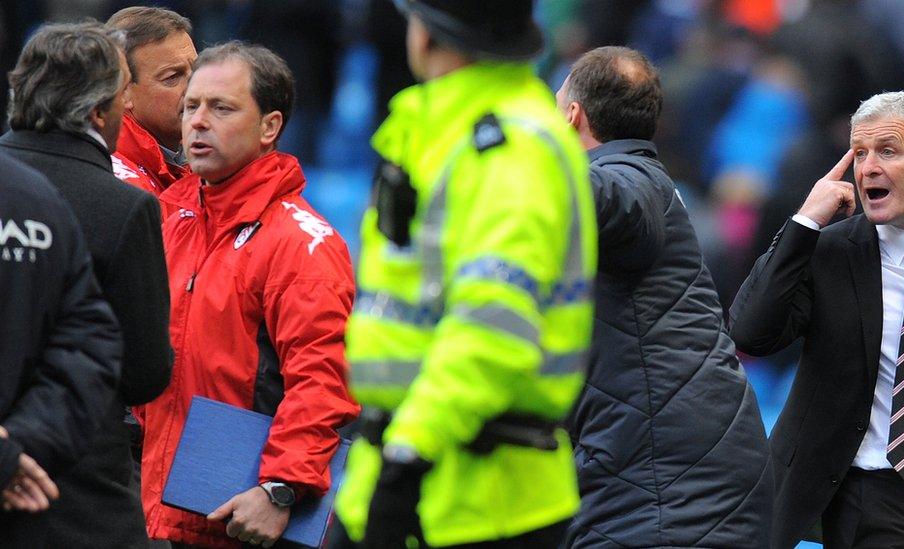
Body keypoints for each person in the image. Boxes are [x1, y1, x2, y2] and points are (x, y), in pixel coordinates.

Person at [332, 1, 598, 547]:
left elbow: (494, 326)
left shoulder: (509, 145)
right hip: (408, 474)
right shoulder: (439, 128)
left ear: (427, 34)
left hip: (470, 495)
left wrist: (409, 453)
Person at [730, 91, 904, 548]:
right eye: (859, 154)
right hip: (876, 497)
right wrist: (804, 222)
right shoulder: (830, 251)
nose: (867, 168)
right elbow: (750, 332)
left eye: (886, 150)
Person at [554, 45, 774, 548]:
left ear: (571, 118)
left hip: (667, 494)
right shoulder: (651, 180)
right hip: (664, 476)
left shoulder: (627, 182)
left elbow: (615, 205)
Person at [142, 42, 359, 548]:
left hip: (247, 516)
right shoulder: (168, 218)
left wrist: (281, 489)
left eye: (221, 108)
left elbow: (322, 382)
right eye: (190, 106)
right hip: (158, 507)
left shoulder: (303, 243)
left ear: (270, 127)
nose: (197, 122)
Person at [0, 22, 173, 547]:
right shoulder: (122, 208)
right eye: (125, 94)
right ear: (100, 113)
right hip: (70, 487)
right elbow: (142, 371)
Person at [0, 150, 123, 546]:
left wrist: (16, 449)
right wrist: (21, 445)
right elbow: (90, 343)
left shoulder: (31, 196)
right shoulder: (35, 195)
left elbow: (88, 338)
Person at [106, 6, 195, 200]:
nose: (196, 88)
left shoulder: (205, 161)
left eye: (197, 70)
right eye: (173, 77)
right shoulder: (122, 192)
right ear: (123, 91)